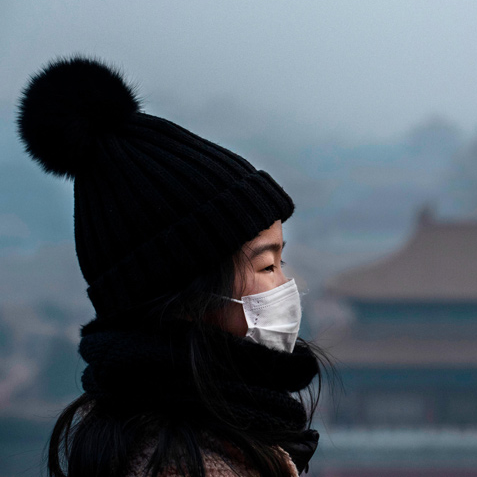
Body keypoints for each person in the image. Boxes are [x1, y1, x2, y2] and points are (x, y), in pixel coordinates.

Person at [16, 57, 326, 477]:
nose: (286, 285)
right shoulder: (186, 465)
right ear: (189, 294)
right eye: (268, 265)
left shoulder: (210, 433)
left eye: (281, 260)